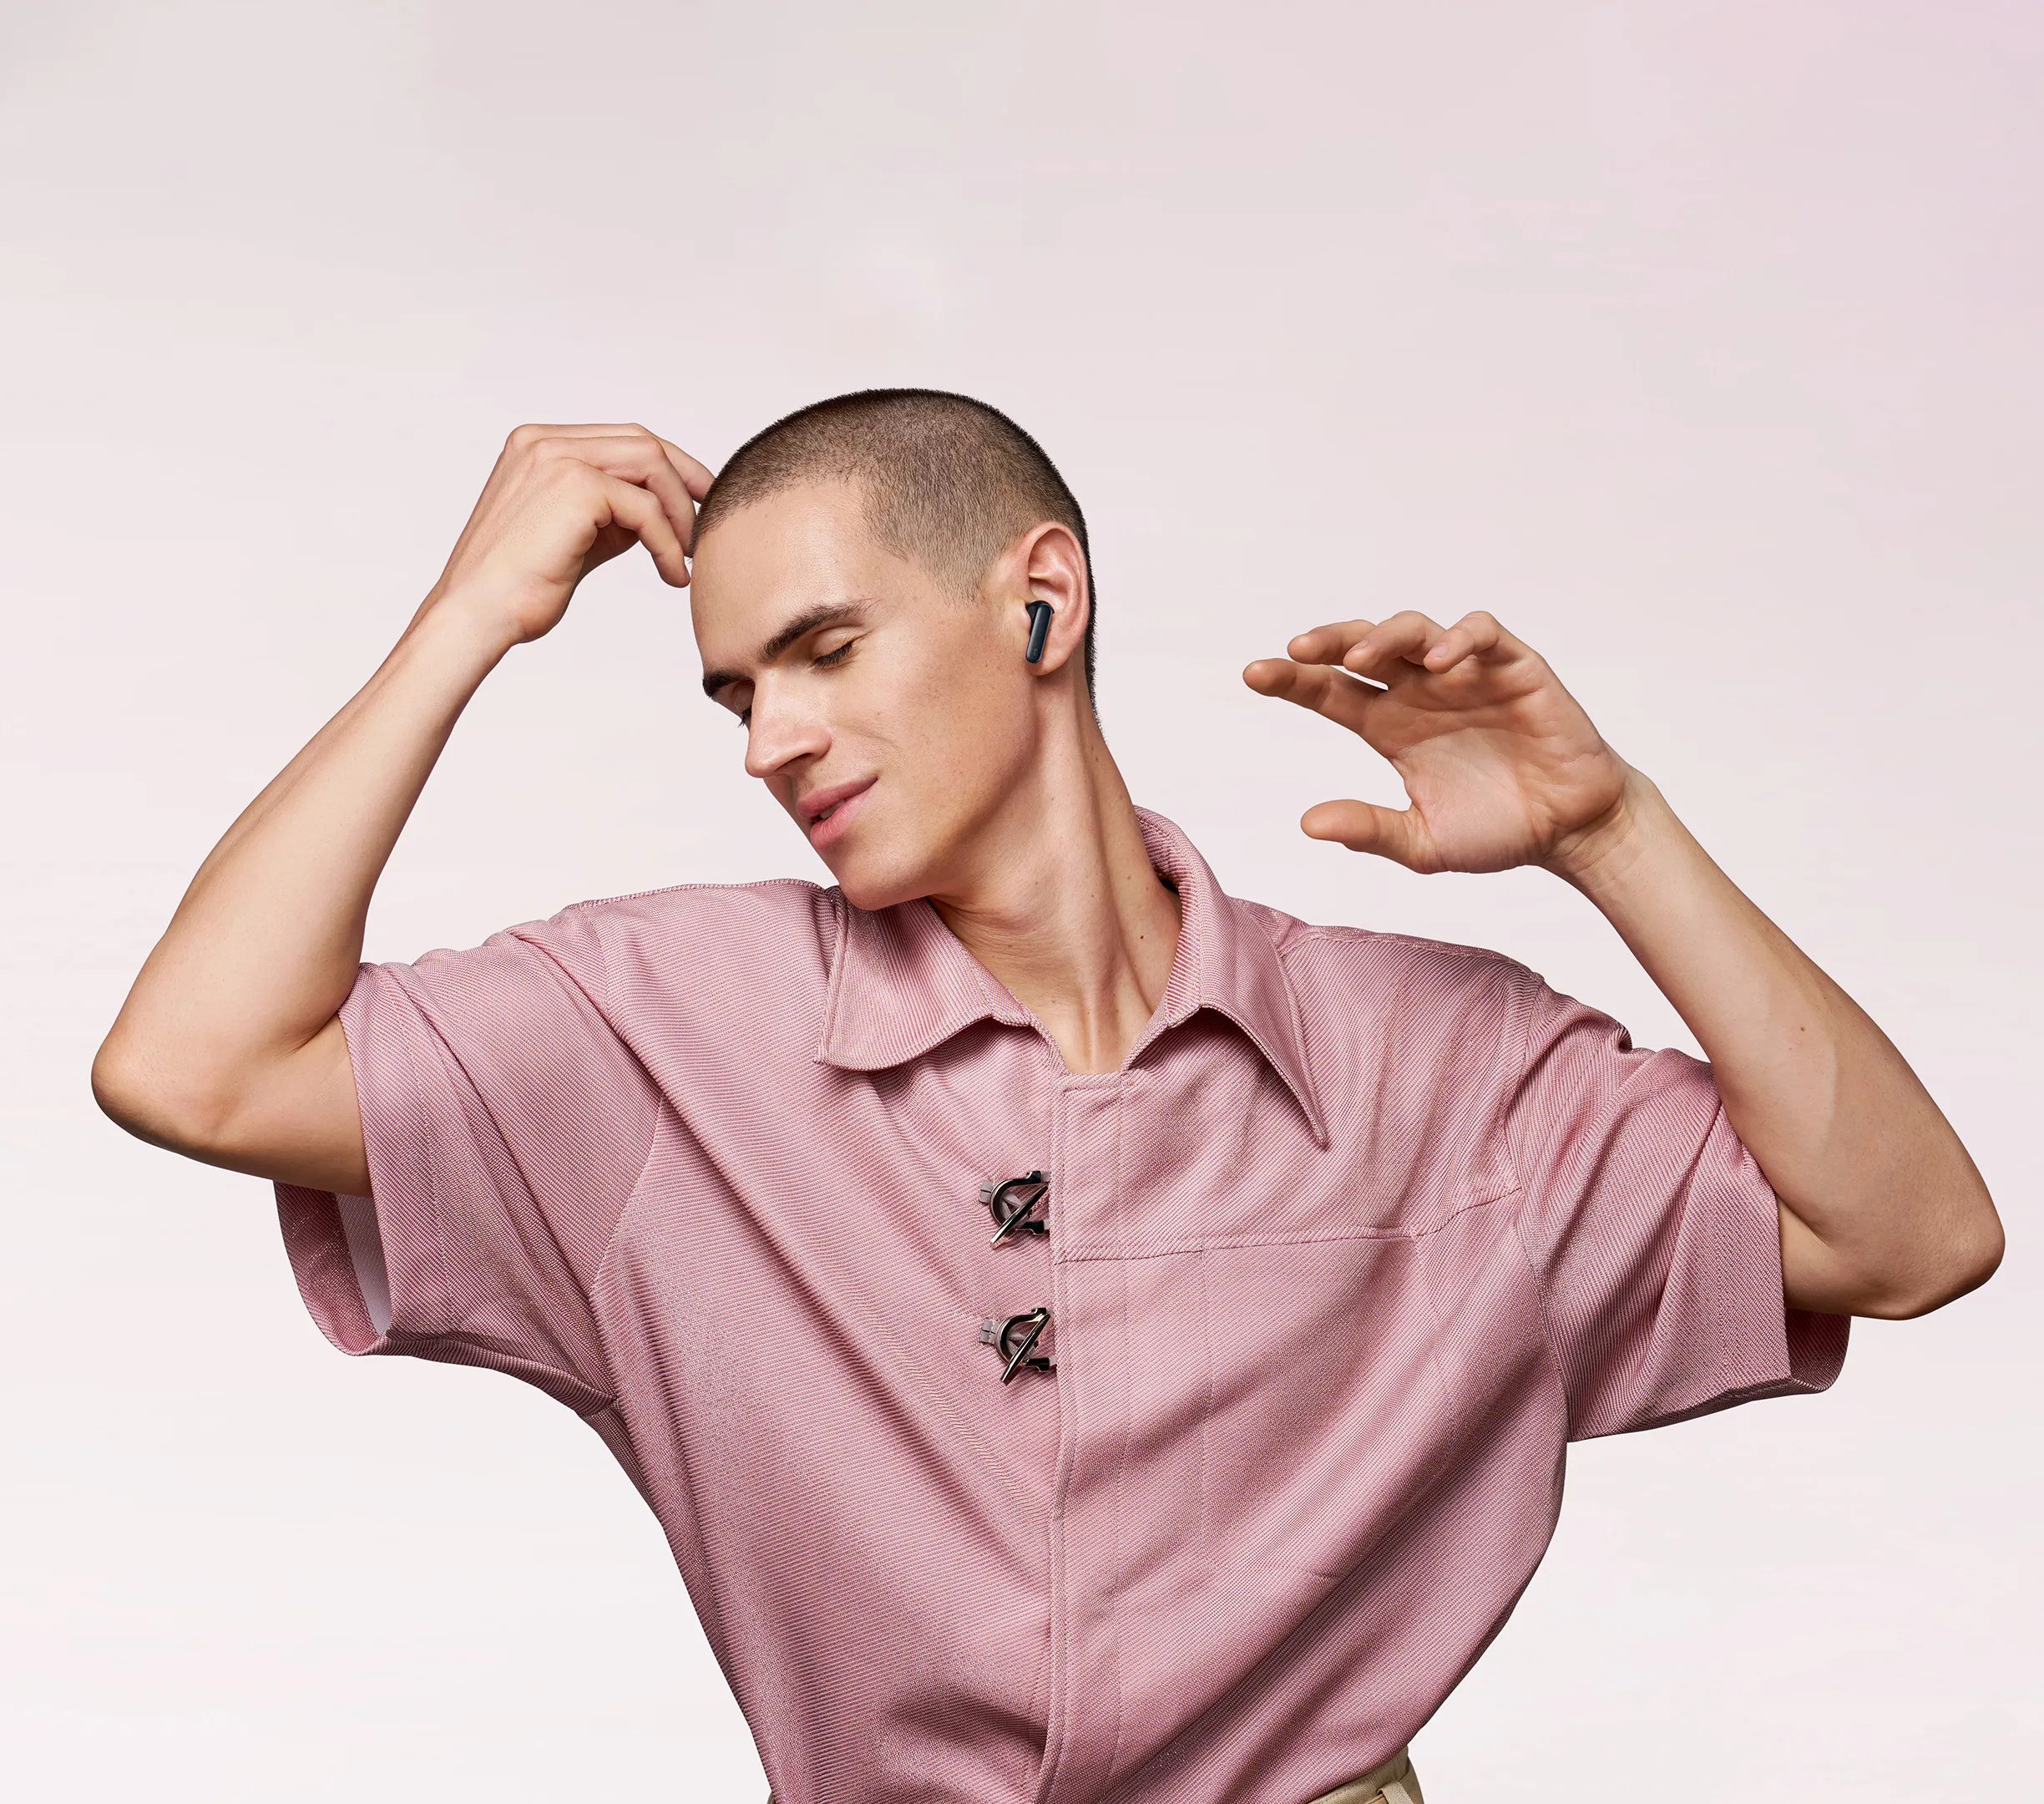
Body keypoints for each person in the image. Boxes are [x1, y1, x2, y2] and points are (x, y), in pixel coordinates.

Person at [92, 389, 2002, 1804]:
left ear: (1041, 603)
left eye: (824, 651)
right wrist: (464, 620)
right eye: (738, 695)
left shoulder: (1433, 1065)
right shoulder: (665, 1030)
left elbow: (1913, 1238)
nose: (771, 743)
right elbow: (191, 1065)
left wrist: (1612, 834)